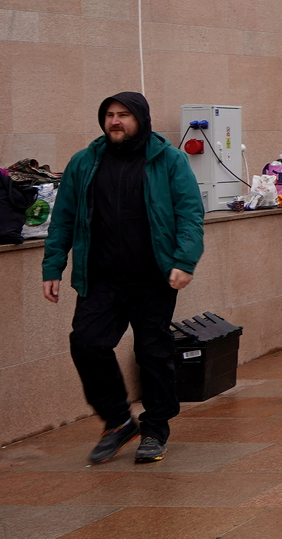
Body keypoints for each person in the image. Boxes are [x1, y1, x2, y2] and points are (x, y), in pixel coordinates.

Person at [42, 92, 203, 465]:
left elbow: (190, 215)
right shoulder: (84, 162)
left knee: (152, 352)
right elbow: (63, 219)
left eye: (124, 115)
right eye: (109, 115)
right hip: (100, 278)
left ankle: (155, 428)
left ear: (141, 119)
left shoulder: (169, 161)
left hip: (153, 278)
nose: (115, 121)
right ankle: (117, 421)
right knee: (86, 343)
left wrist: (185, 260)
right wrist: (53, 267)